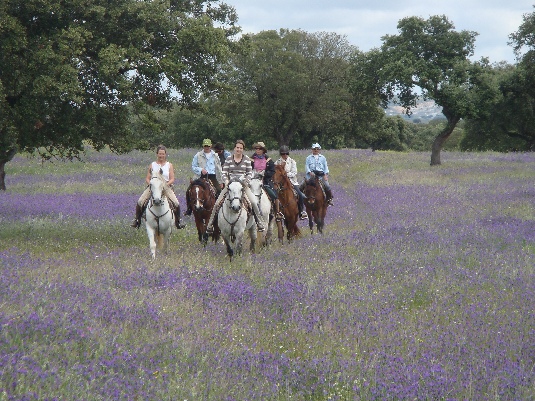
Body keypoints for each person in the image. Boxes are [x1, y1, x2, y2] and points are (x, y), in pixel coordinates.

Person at [206, 140, 266, 233]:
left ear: (243, 149)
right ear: (234, 148)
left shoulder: (246, 159)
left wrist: (245, 182)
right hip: (230, 185)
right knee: (217, 203)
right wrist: (226, 181)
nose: (239, 149)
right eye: (237, 147)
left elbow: (249, 173)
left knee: (254, 202)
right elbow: (224, 172)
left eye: (241, 148)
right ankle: (210, 225)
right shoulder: (229, 159)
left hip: (243, 186)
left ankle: (259, 223)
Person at [131, 145, 186, 229]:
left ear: (165, 154)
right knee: (140, 201)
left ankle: (178, 221)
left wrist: (165, 185)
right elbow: (147, 178)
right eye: (160, 154)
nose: (161, 156)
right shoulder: (152, 165)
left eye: (163, 154)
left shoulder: (169, 165)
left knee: (176, 203)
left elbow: (172, 179)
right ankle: (137, 220)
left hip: (166, 187)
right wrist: (151, 184)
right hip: (153, 187)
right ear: (157, 154)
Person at [184, 138, 224, 216]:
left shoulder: (215, 156)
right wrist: (200, 169)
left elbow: (219, 169)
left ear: (211, 146)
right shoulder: (198, 155)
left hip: (212, 176)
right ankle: (189, 208)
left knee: (219, 190)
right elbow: (193, 166)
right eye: (205, 146)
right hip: (201, 176)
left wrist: (221, 181)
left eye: (208, 146)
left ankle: (219, 208)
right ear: (203, 146)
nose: (207, 147)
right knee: (189, 190)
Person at [274, 145, 309, 220]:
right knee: (274, 194)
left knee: (299, 194)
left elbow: (294, 172)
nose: (285, 155)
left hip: (292, 182)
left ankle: (302, 211)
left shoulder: (292, 162)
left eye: (286, 153)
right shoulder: (277, 162)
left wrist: (285, 175)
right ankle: (276, 212)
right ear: (281, 154)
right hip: (281, 183)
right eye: (283, 154)